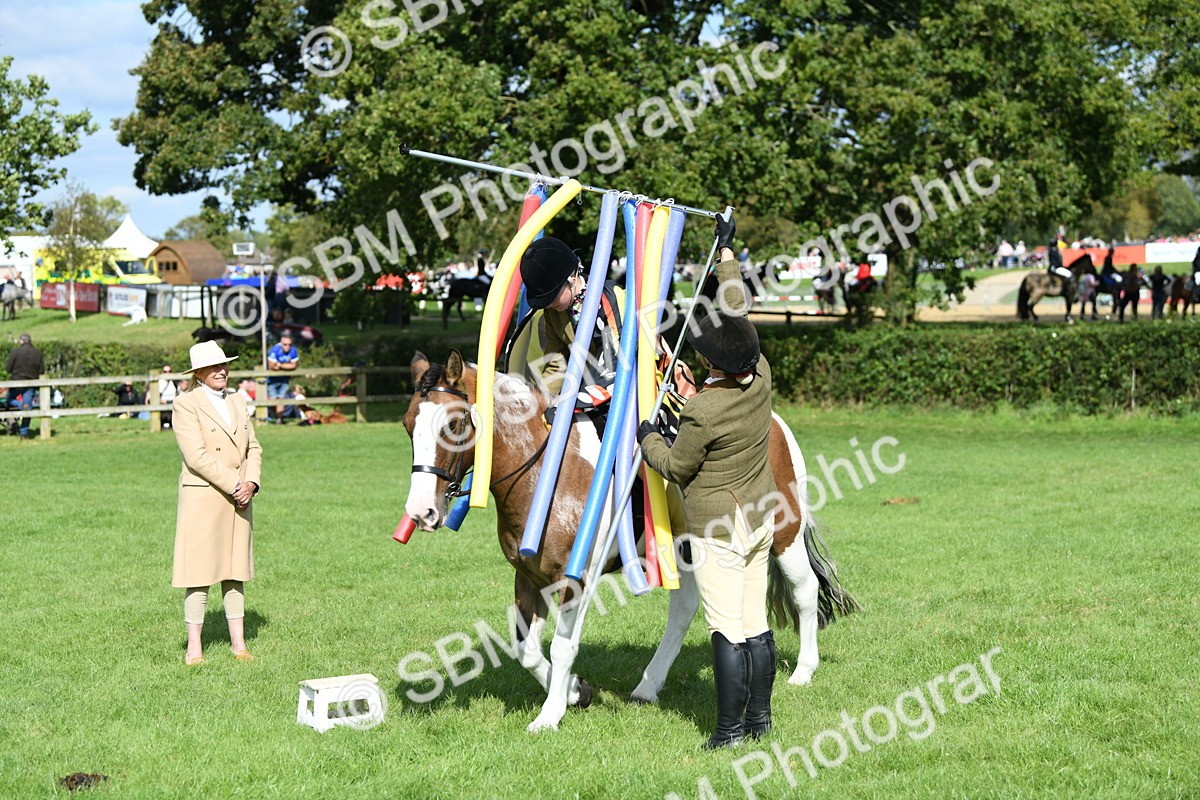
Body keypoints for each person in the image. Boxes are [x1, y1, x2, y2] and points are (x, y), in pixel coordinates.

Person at [637, 212, 777, 750]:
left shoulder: (702, 410)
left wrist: (649, 435)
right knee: (757, 622)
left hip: (719, 529)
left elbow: (673, 467)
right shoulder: (760, 374)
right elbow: (738, 308)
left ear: (709, 363)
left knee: (725, 629)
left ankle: (727, 731)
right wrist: (725, 258)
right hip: (762, 517)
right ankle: (761, 722)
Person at [171, 341, 262, 666]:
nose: (221, 371)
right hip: (205, 495)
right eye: (213, 367)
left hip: (239, 498)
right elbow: (196, 456)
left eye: (224, 365)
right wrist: (235, 484)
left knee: (234, 570)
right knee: (198, 572)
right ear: (198, 374)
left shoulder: (238, 400)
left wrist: (251, 482)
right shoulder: (185, 404)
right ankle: (194, 647)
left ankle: (239, 644)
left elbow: (253, 447)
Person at [5, 332, 43, 439]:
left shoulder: (15, 352)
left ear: (21, 341)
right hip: (30, 384)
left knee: (8, 401)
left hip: (16, 383)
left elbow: (8, 369)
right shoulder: (37, 353)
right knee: (28, 409)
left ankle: (20, 404)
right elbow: (42, 370)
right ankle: (23, 433)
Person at [266, 334, 299, 422]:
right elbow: (271, 366)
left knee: (281, 398)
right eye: (285, 344)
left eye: (289, 344)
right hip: (272, 379)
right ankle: (275, 416)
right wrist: (286, 365)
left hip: (284, 379)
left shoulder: (293, 350)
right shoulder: (274, 350)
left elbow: (294, 365)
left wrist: (280, 364)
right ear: (281, 343)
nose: (287, 346)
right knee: (273, 399)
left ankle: (279, 419)